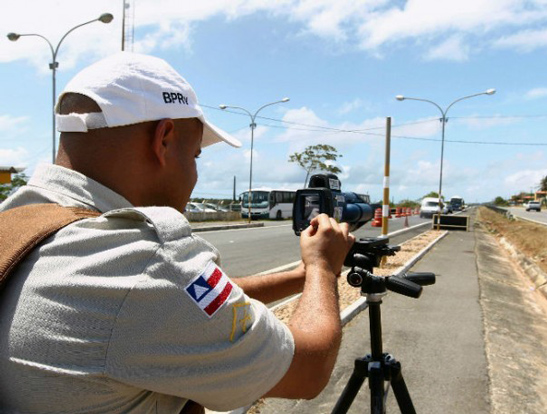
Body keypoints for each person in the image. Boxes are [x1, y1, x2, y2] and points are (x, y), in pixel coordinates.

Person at [0, 53, 354, 413]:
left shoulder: (20, 220)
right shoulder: (141, 264)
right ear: (164, 139)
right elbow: (309, 369)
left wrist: (302, 275)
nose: (195, 173)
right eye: (196, 155)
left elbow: (184, 301)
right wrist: (324, 269)